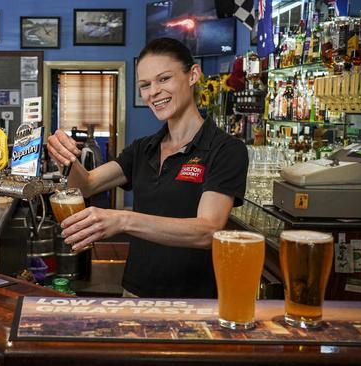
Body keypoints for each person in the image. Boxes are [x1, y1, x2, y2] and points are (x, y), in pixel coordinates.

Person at [47, 37, 248, 298]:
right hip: (135, 293)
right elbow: (85, 184)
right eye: (145, 85)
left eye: (164, 79)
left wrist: (123, 220)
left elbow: (208, 231)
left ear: (193, 75)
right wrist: (66, 156)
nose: (153, 92)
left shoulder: (225, 149)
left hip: (194, 300)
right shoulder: (143, 149)